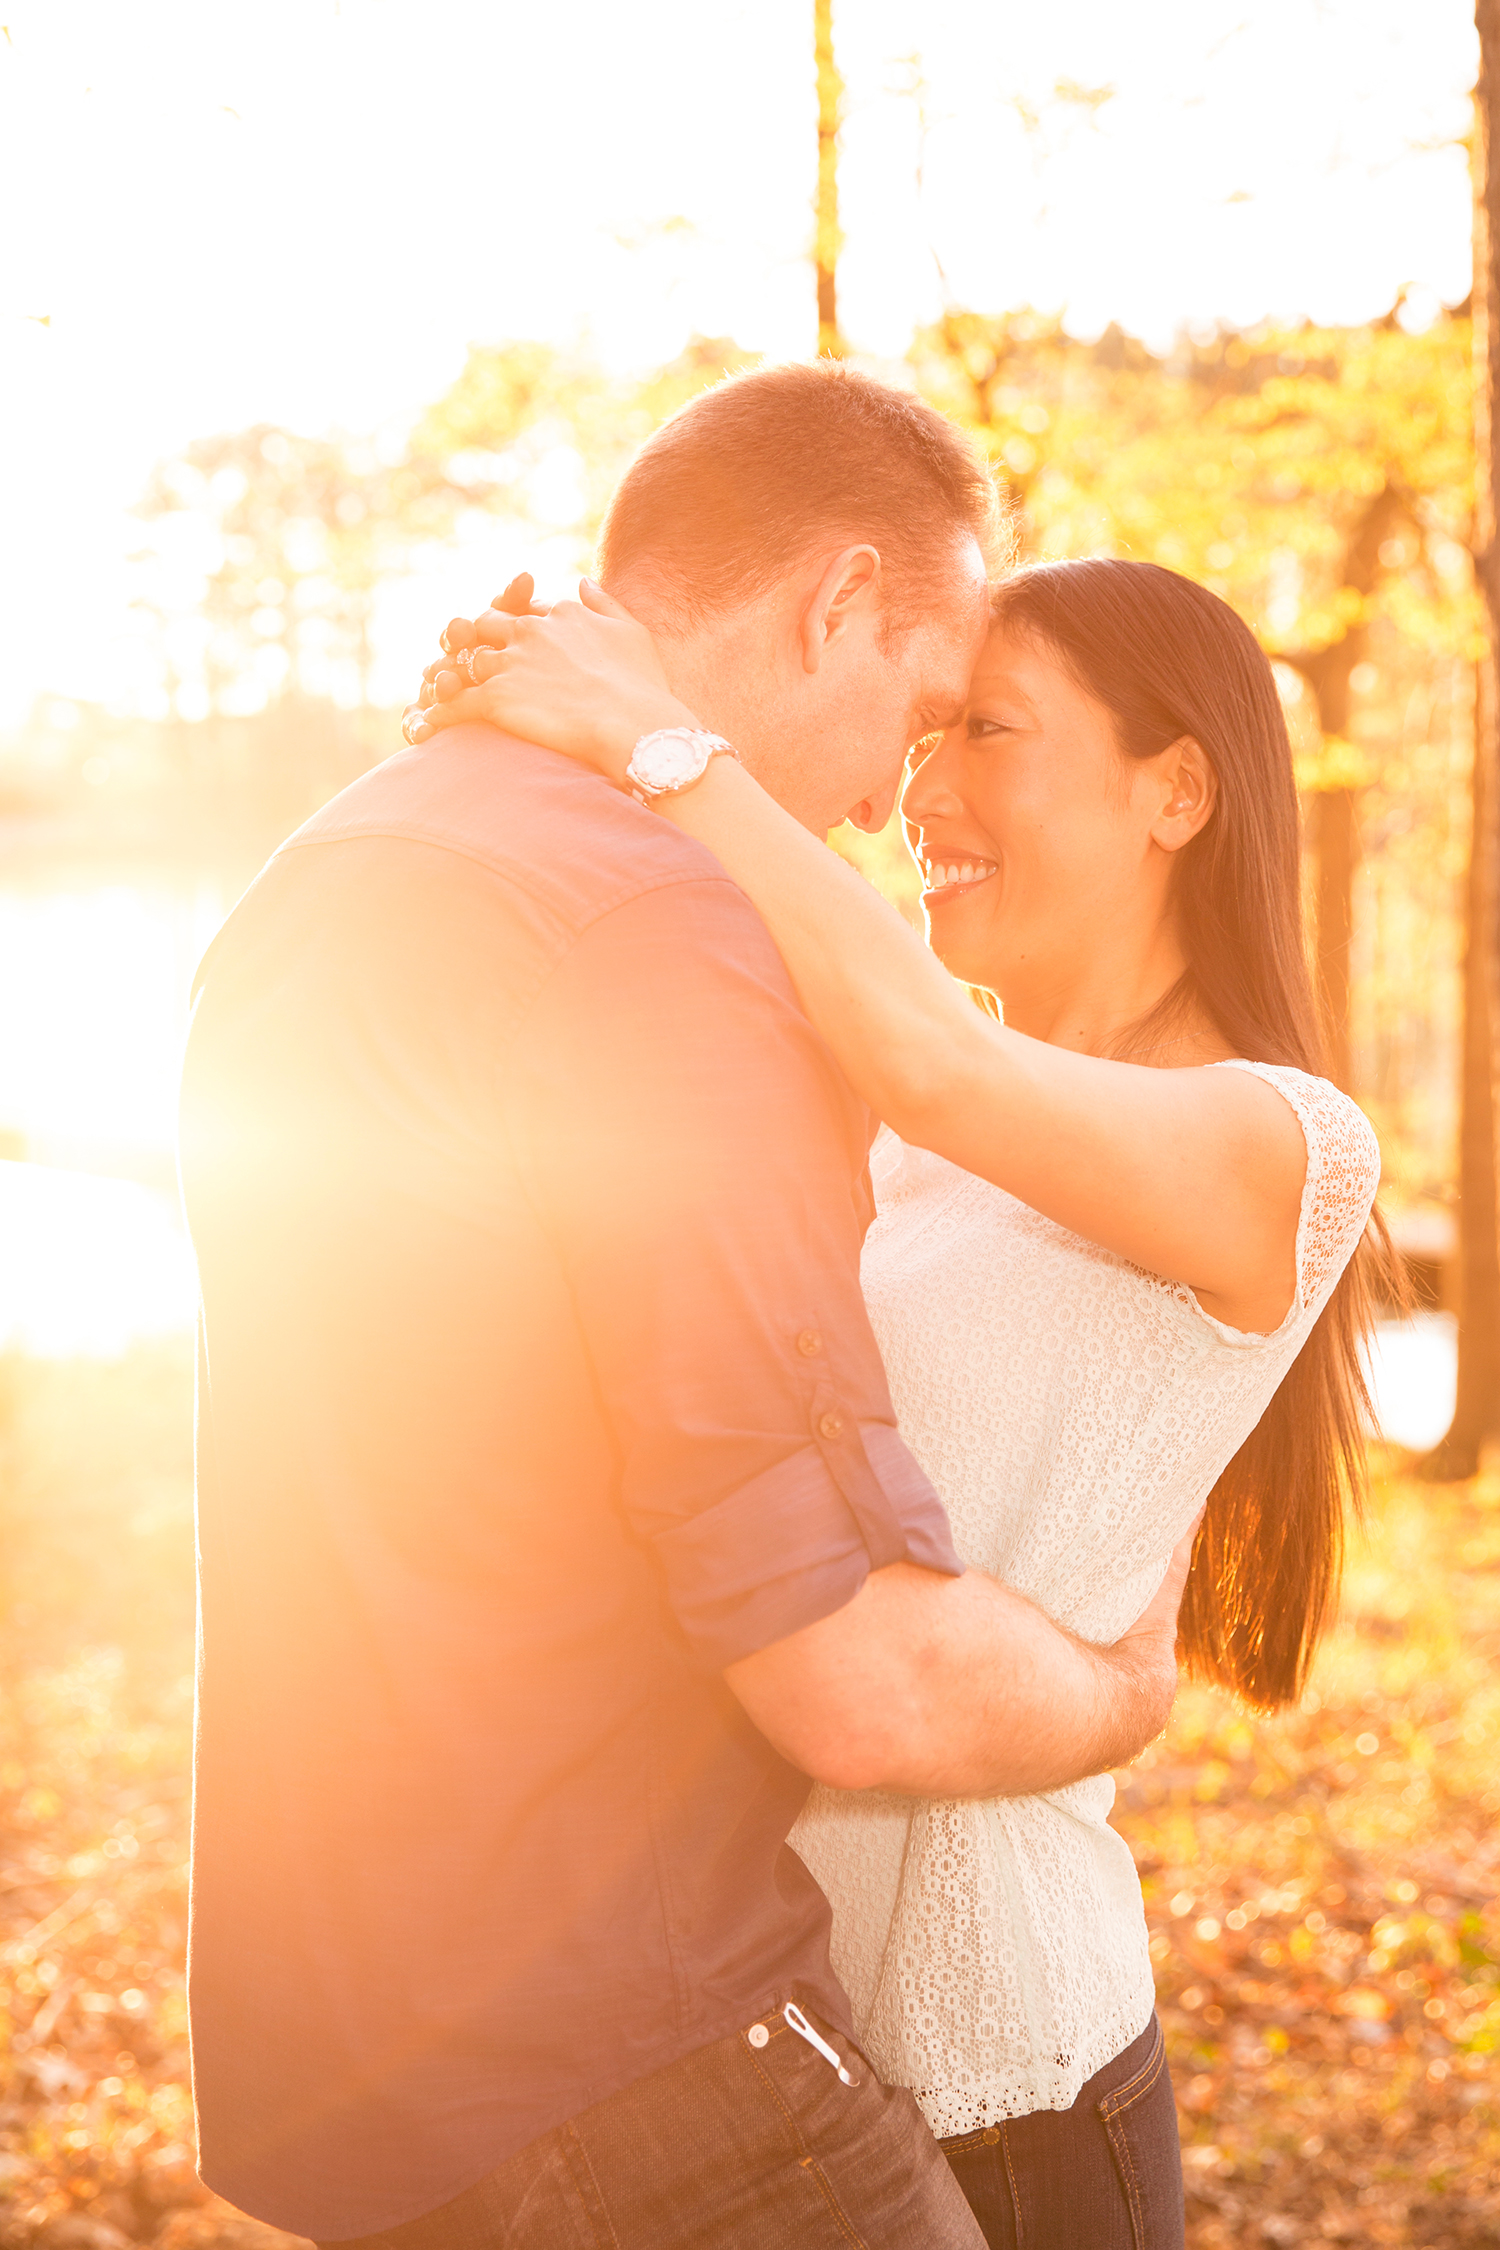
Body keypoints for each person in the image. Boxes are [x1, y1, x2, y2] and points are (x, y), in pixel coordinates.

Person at [177, 364, 1197, 2250]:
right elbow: (851, 1673)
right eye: (912, 710)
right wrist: (1117, 1687)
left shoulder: (331, 866)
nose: (902, 793)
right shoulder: (663, 934)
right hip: (621, 2041)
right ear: (834, 605)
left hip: (338, 2044)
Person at [407, 550, 1387, 2250]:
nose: (918, 790)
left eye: (983, 730)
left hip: (1003, 2085)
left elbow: (938, 1050)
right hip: (758, 2065)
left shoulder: (1286, 1142)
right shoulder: (904, 1131)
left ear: (1180, 788)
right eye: (919, 736)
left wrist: (656, 734)